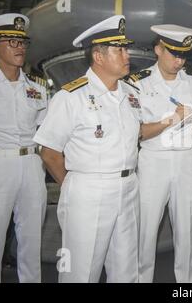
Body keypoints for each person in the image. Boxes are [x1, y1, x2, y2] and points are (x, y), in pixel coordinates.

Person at [33, 15, 141, 283]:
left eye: (126, 48)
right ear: (99, 56)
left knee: (126, 270)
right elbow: (49, 152)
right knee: (80, 271)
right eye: (120, 50)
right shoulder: (71, 96)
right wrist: (75, 186)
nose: (127, 55)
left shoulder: (131, 93)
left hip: (128, 188)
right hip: (89, 191)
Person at [129, 24, 192, 283]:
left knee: (187, 231)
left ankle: (187, 284)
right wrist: (173, 119)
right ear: (157, 49)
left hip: (187, 158)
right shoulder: (138, 83)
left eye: (183, 55)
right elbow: (138, 132)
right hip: (153, 161)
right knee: (146, 231)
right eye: (173, 53)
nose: (179, 60)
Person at [0, 13, 48, 283]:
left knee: (31, 236)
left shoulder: (36, 87)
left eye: (22, 42)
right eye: (11, 41)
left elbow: (45, 129)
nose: (19, 47)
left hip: (31, 163)